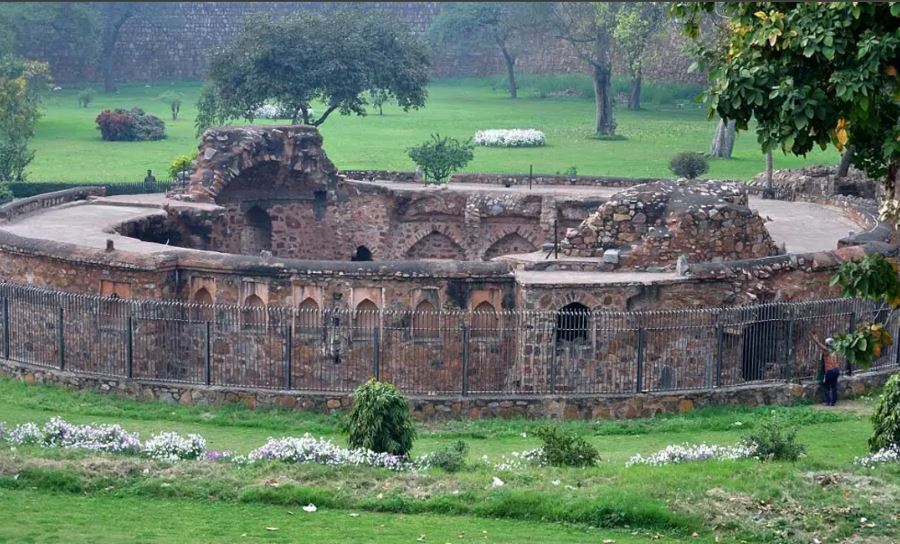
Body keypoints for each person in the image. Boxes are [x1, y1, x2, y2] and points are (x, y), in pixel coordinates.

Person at [812, 333, 841, 406]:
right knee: (834, 386)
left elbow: (819, 345)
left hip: (830, 371)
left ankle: (828, 401)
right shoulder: (835, 351)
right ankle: (833, 402)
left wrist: (815, 339)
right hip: (836, 370)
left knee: (826, 386)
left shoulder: (827, 351)